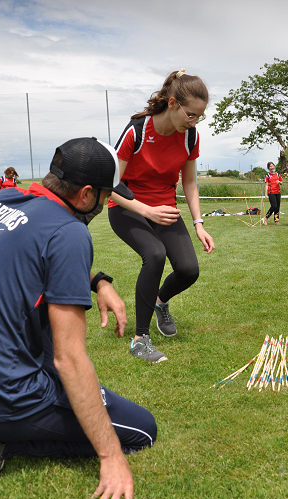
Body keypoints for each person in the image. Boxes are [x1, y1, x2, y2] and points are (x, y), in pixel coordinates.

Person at [0, 137, 155, 499]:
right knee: (142, 430)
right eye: (105, 196)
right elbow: (70, 359)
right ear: (85, 194)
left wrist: (98, 281)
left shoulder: (2, 200)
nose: (105, 204)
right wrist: (110, 455)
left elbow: (35, 257)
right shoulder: (70, 232)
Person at [107, 69, 215, 363]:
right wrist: (145, 210)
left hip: (164, 209)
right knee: (154, 254)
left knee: (189, 270)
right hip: (127, 208)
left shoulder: (190, 136)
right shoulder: (137, 131)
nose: (193, 122)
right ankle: (140, 340)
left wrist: (199, 224)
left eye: (199, 117)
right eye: (190, 115)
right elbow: (110, 184)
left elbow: (189, 183)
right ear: (172, 104)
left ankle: (159, 302)